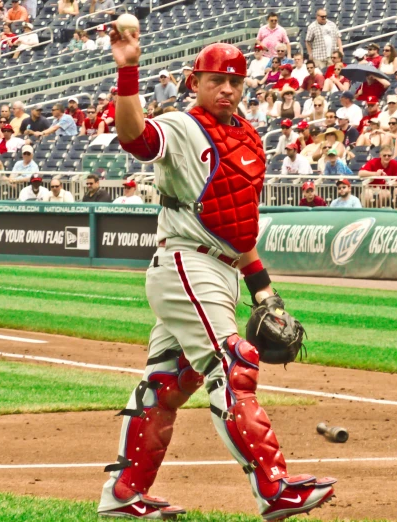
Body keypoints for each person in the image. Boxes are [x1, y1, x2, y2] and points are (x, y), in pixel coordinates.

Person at [98, 34, 335, 520]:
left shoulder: (247, 135)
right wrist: (127, 72)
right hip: (187, 262)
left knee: (167, 385)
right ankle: (275, 490)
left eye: (234, 81)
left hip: (220, 268)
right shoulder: (181, 126)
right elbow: (134, 138)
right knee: (234, 365)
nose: (226, 89)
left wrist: (261, 286)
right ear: (195, 82)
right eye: (215, 80)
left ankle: (124, 494)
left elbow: (235, 222)